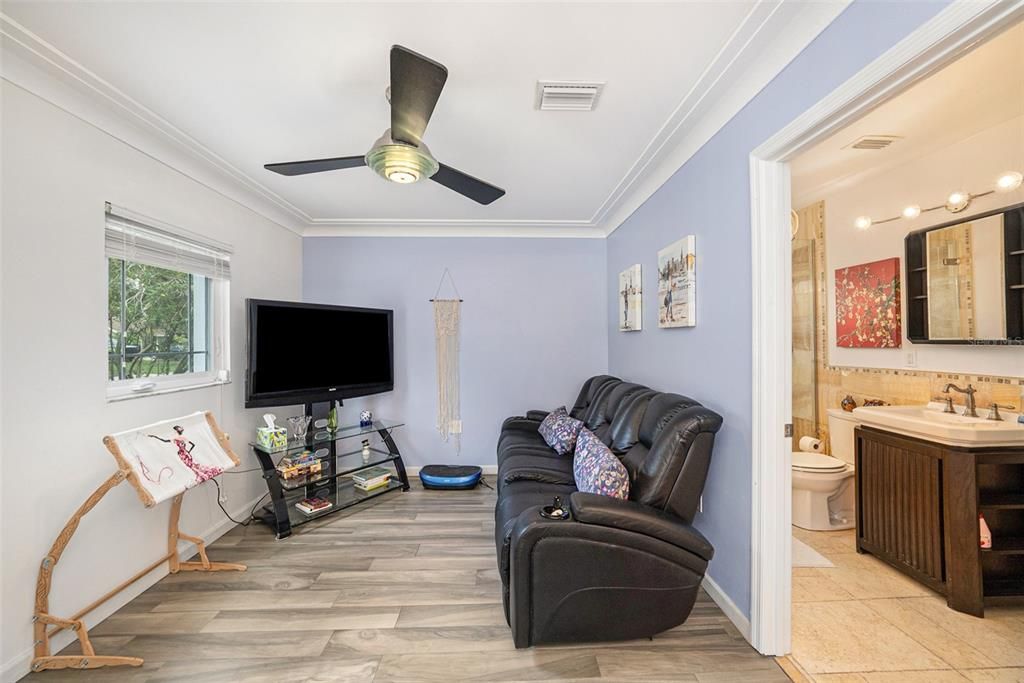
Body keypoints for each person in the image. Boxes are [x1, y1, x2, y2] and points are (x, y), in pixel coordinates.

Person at [148, 425, 223, 484]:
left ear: (176, 431)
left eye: (174, 431)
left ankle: (201, 476)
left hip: (183, 454)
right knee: (192, 465)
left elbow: (164, 441)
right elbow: (193, 445)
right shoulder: (182, 438)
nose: (173, 432)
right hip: (185, 454)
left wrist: (155, 437)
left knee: (191, 466)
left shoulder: (175, 438)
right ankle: (200, 475)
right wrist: (188, 451)